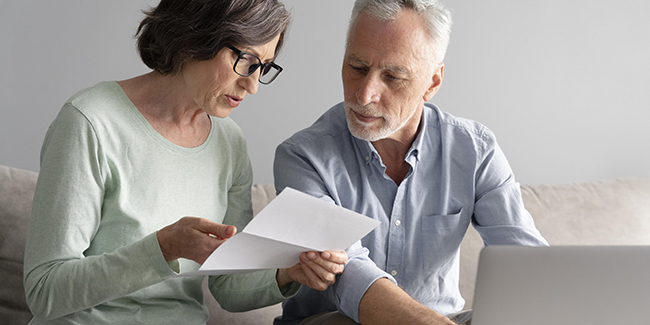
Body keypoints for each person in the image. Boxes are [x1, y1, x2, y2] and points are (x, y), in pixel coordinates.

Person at [23, 0, 348, 324]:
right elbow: (45, 290)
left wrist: (287, 273)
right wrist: (163, 248)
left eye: (263, 67)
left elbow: (228, 285)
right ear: (193, 38)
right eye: (246, 60)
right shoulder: (90, 122)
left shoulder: (230, 144)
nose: (252, 85)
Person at [273, 0, 548, 324]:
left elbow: (527, 264)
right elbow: (348, 275)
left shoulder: (475, 149)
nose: (364, 95)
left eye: (392, 76)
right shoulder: (303, 157)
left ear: (432, 82)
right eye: (357, 67)